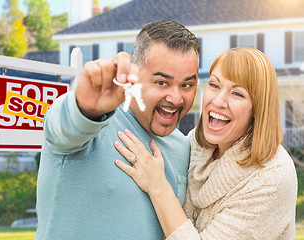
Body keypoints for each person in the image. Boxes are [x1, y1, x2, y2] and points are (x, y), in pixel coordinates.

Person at [35, 20, 200, 239]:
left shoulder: (184, 148)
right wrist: (84, 109)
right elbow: (61, 129)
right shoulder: (92, 123)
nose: (176, 98)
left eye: (186, 85)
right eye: (162, 82)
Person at [115, 47, 298, 239]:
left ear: (258, 109)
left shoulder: (272, 177)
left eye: (237, 94)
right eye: (214, 85)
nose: (218, 101)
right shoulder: (197, 144)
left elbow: (158, 185)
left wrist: (158, 187)